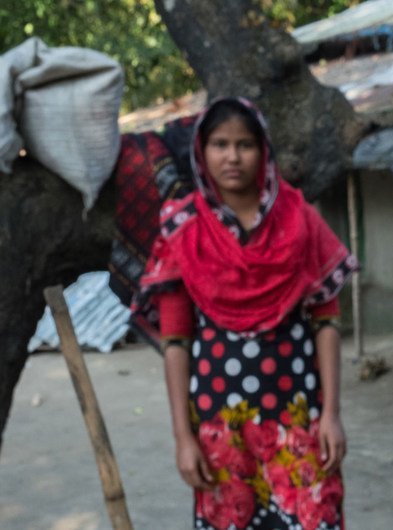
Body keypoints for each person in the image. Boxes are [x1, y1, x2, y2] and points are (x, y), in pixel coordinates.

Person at [135, 97, 357, 530]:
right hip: (220, 425)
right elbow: (176, 342)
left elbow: (326, 322)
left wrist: (331, 414)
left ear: (264, 151)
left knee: (315, 517)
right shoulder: (185, 230)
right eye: (219, 144)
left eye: (244, 145)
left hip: (300, 419)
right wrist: (183, 437)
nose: (232, 157)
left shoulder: (300, 219)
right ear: (202, 152)